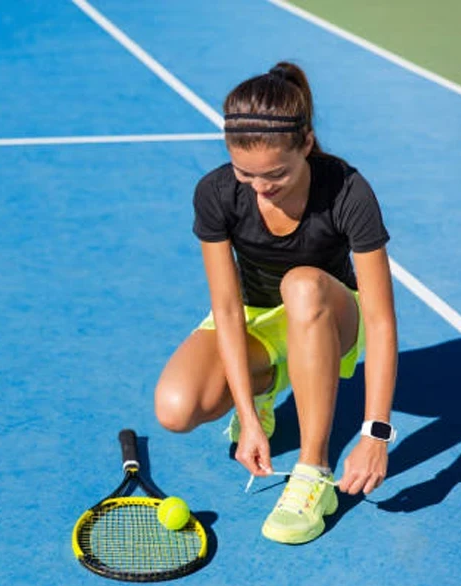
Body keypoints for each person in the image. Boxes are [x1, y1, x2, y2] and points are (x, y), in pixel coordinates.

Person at [154, 62, 398, 544]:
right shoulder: (216, 193)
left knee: (303, 285)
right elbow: (226, 308)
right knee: (176, 408)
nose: (261, 188)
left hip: (332, 313)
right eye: (246, 173)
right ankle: (272, 382)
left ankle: (314, 473)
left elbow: (381, 317)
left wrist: (375, 433)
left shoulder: (347, 190)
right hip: (255, 318)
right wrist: (246, 415)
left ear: (306, 144)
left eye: (277, 176)